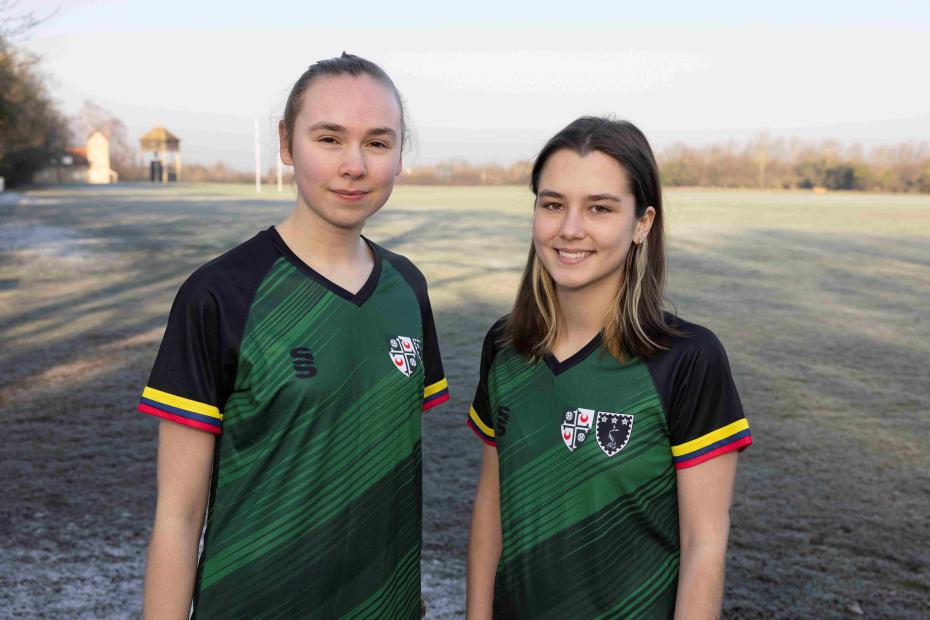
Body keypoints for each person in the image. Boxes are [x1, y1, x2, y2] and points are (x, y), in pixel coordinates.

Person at [138, 53, 449, 619]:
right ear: (286, 144)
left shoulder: (408, 288)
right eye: (329, 138)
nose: (354, 165)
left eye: (378, 143)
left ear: (400, 155)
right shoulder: (220, 293)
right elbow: (178, 517)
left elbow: (373, 469)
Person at [466, 117, 752, 619]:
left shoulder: (688, 359)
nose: (569, 229)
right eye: (553, 204)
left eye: (599, 208)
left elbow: (703, 543)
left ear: (642, 223)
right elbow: (491, 506)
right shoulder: (506, 344)